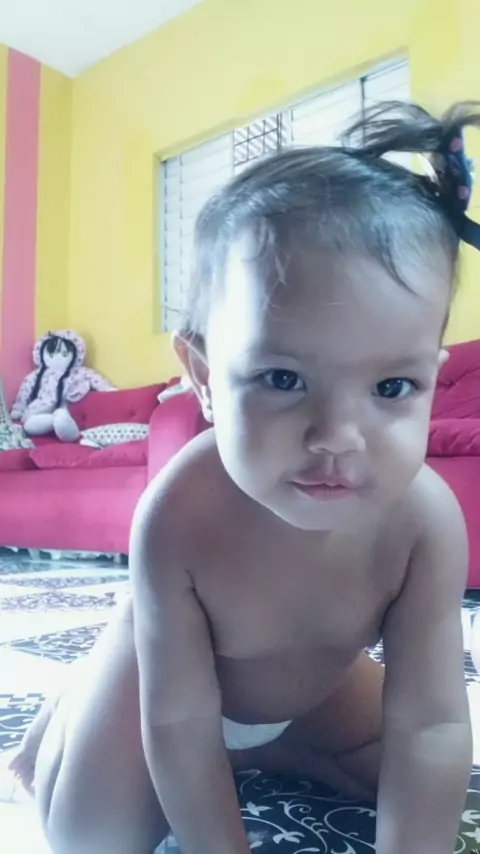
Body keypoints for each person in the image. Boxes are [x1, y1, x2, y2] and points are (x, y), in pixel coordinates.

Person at [5, 100, 479, 854]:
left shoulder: (424, 523)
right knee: (90, 838)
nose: (337, 437)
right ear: (202, 375)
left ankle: (266, 750)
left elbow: (431, 723)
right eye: (283, 378)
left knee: (422, 777)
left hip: (311, 693)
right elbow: (178, 721)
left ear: (430, 375)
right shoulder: (179, 513)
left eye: (392, 387)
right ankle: (76, 695)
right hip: (165, 687)